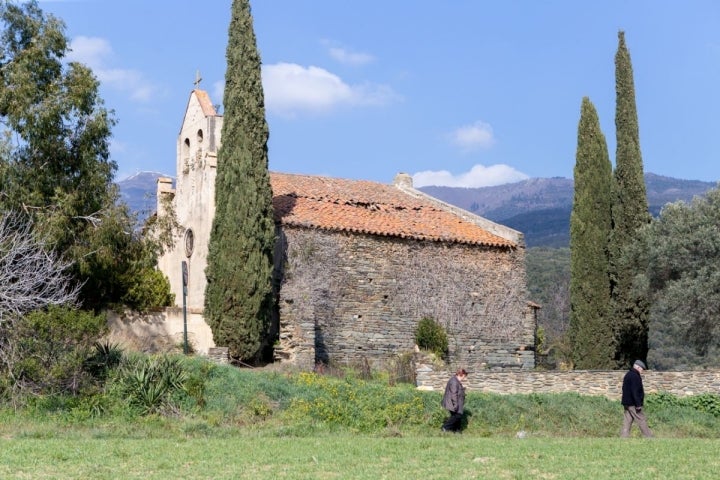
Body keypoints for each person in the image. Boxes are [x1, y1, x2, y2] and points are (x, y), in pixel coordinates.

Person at [621, 359, 653, 438]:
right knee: (641, 419)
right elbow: (635, 391)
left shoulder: (628, 374)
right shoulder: (635, 376)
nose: (642, 370)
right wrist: (638, 404)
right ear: (638, 367)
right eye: (642, 368)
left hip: (627, 403)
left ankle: (623, 438)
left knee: (627, 421)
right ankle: (649, 437)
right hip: (633, 404)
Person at [441, 368, 467, 432]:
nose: (464, 378)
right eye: (464, 376)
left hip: (456, 402)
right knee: (457, 416)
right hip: (453, 403)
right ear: (461, 374)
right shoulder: (454, 382)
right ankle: (445, 427)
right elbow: (454, 394)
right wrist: (455, 405)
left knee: (457, 417)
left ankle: (457, 431)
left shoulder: (456, 381)